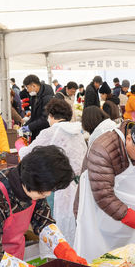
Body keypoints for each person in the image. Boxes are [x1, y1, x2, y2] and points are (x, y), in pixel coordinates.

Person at [74, 119, 135, 260]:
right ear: (128, 139)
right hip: (100, 213)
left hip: (134, 215)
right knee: (103, 260)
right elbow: (105, 198)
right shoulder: (102, 149)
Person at [18, 99, 87, 245]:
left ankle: (58, 255)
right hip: (78, 184)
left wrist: (19, 145)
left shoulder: (50, 132)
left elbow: (28, 154)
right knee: (75, 223)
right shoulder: (78, 132)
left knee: (55, 224)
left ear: (51, 115)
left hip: (57, 186)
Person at [22, 74, 54, 140]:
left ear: (34, 86)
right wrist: (26, 125)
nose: (27, 90)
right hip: (36, 131)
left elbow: (45, 119)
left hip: (45, 133)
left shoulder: (48, 98)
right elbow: (34, 116)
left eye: (28, 87)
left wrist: (30, 127)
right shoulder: (34, 96)